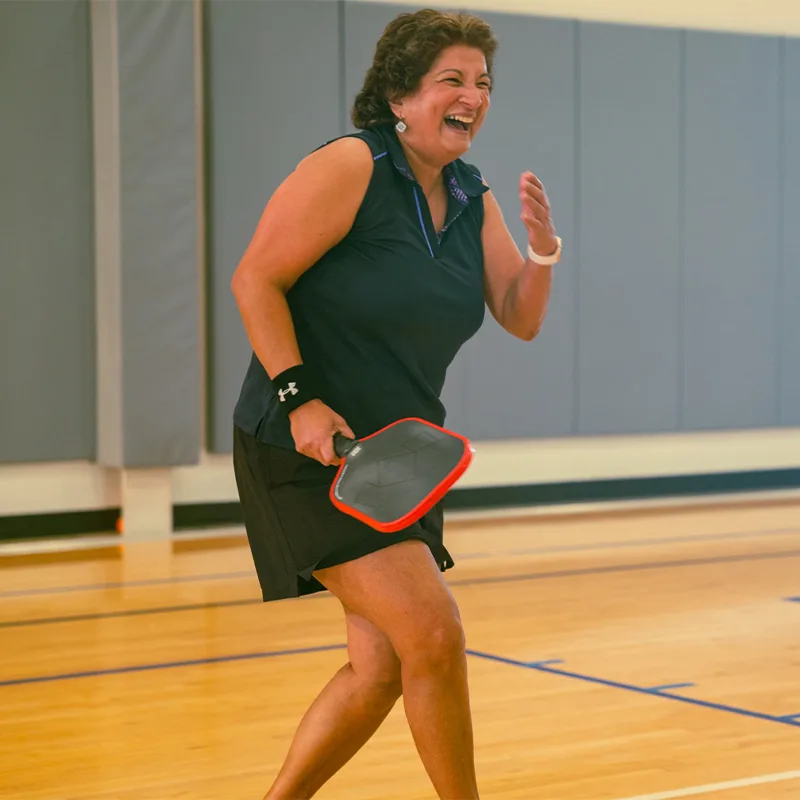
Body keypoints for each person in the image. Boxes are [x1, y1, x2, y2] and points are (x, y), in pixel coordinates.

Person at [230, 8, 561, 799]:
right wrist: (300, 399)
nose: (472, 96)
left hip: (398, 461)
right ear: (400, 96)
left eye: (481, 83)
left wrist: (544, 251)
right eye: (451, 79)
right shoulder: (352, 165)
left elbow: (520, 314)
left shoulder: (470, 196)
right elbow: (256, 279)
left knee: (380, 667)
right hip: (306, 445)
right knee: (435, 635)